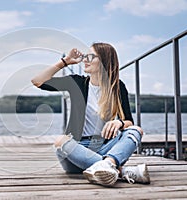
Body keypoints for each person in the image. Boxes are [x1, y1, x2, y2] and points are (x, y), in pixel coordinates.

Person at [31, 42, 150, 186]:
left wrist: (119, 122)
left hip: (105, 148)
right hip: (76, 151)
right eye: (86, 56)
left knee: (135, 130)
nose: (85, 60)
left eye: (91, 57)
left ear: (104, 61)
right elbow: (37, 81)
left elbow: (129, 121)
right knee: (61, 141)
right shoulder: (77, 83)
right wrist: (65, 62)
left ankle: (107, 166)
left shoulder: (117, 87)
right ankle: (119, 170)